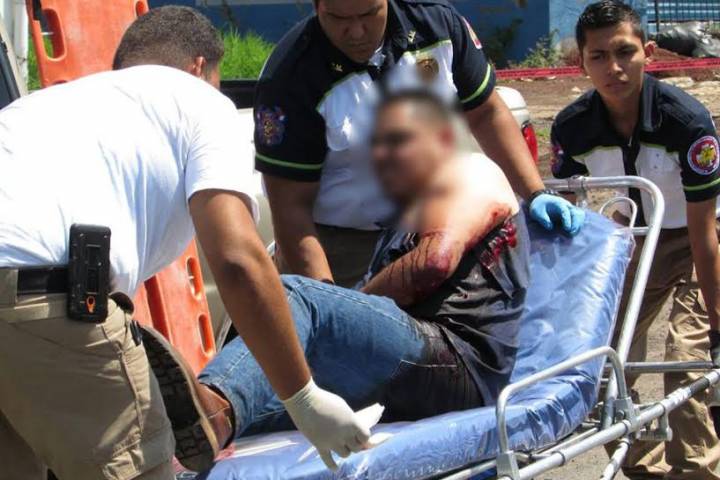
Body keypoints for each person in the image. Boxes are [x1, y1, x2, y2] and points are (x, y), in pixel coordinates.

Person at [0, 6, 373, 479]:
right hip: (45, 297)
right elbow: (237, 259)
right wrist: (304, 398)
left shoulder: (37, 108)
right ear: (199, 67)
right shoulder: (200, 102)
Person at [143, 90, 530, 471]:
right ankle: (173, 430)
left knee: (297, 297)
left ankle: (212, 411)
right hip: (411, 369)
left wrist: (340, 313)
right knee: (267, 392)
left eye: (399, 140)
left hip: (459, 364)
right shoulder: (404, 210)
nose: (385, 155)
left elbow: (433, 263)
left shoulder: (472, 171)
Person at [254, 0, 584, 287]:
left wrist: (535, 192)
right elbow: (291, 211)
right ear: (316, 6)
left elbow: (485, 113)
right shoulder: (290, 77)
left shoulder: (435, 25)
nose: (356, 32)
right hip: (340, 251)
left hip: (437, 227)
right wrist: (329, 305)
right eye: (338, 18)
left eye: (369, 14)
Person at [551, 2, 720, 478]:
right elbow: (566, 220)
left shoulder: (685, 121)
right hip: (633, 240)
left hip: (699, 237)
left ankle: (698, 471)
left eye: (625, 52)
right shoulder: (572, 126)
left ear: (649, 52)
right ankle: (645, 469)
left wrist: (718, 327)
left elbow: (704, 230)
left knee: (685, 363)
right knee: (606, 363)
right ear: (581, 63)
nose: (614, 67)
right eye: (599, 56)